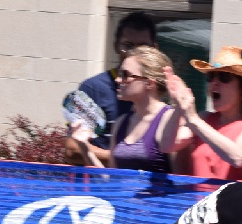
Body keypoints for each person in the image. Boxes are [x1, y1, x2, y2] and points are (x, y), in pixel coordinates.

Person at [162, 45, 242, 180]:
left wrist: (193, 119)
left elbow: (239, 158)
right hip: (201, 200)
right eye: (210, 77)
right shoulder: (204, 119)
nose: (214, 83)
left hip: (237, 201)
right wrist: (179, 105)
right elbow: (167, 145)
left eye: (224, 77)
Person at [64, 11, 157, 166]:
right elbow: (72, 150)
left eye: (143, 48)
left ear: (154, 50)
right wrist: (127, 157)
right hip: (101, 186)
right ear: (115, 47)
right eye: (127, 46)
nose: (134, 54)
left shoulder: (160, 92)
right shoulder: (92, 88)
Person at [69, 45, 175, 173]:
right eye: (119, 73)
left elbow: (183, 181)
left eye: (125, 75)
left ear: (149, 83)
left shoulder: (170, 120)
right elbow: (112, 183)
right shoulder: (121, 123)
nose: (118, 80)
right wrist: (84, 146)